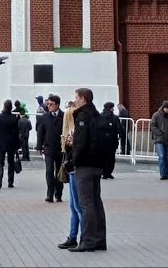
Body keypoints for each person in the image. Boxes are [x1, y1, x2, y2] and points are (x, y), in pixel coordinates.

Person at [70, 87, 107, 252]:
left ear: (83, 98)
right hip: (98, 164)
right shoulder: (98, 115)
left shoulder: (83, 116)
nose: (75, 100)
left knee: (86, 204)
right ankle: (100, 239)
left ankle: (88, 241)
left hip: (85, 165)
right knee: (96, 202)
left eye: (76, 97)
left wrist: (74, 159)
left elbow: (82, 142)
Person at [56, 104, 82, 251]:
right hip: (72, 169)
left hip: (74, 170)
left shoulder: (74, 133)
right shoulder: (71, 133)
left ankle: (82, 237)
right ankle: (72, 237)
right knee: (74, 207)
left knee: (77, 207)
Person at [37, 94, 65, 203]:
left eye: (51, 104)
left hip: (60, 148)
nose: (49, 106)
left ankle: (58, 193)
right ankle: (49, 194)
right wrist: (39, 146)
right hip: (48, 147)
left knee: (59, 171)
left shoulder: (64, 116)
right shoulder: (45, 116)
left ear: (57, 105)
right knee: (49, 171)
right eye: (48, 104)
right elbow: (40, 132)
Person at [149, 100, 168, 180]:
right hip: (159, 139)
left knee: (167, 157)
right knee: (162, 156)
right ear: (163, 107)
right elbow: (153, 126)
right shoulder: (156, 115)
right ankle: (162, 174)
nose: (167, 110)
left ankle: (166, 173)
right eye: (166, 108)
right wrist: (160, 133)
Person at [99, 102, 121, 179]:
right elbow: (119, 129)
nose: (113, 109)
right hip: (112, 141)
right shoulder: (115, 118)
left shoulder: (100, 116)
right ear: (110, 108)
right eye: (112, 108)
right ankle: (108, 172)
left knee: (103, 157)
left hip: (102, 141)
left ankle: (104, 172)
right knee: (111, 158)